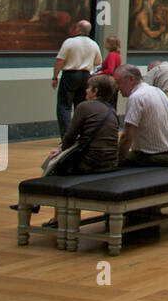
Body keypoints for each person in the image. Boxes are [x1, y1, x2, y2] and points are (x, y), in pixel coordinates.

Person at [39, 73, 120, 228]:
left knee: (54, 164)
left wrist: (60, 149)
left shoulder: (84, 106)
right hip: (110, 162)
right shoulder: (111, 110)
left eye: (89, 88)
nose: (86, 91)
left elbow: (70, 136)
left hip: (90, 163)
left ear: (96, 91)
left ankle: (56, 215)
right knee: (59, 160)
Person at [115, 64, 168, 167]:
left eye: (118, 82)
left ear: (131, 79)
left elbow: (127, 137)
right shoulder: (158, 91)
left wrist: (118, 160)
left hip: (155, 157)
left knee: (107, 160)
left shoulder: (136, 97)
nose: (117, 87)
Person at [52, 20, 102, 137]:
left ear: (78, 29)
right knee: (81, 106)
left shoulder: (70, 42)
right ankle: (81, 134)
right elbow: (98, 62)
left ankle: (66, 135)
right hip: (86, 76)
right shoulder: (94, 44)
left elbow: (60, 60)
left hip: (70, 75)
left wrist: (55, 77)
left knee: (64, 106)